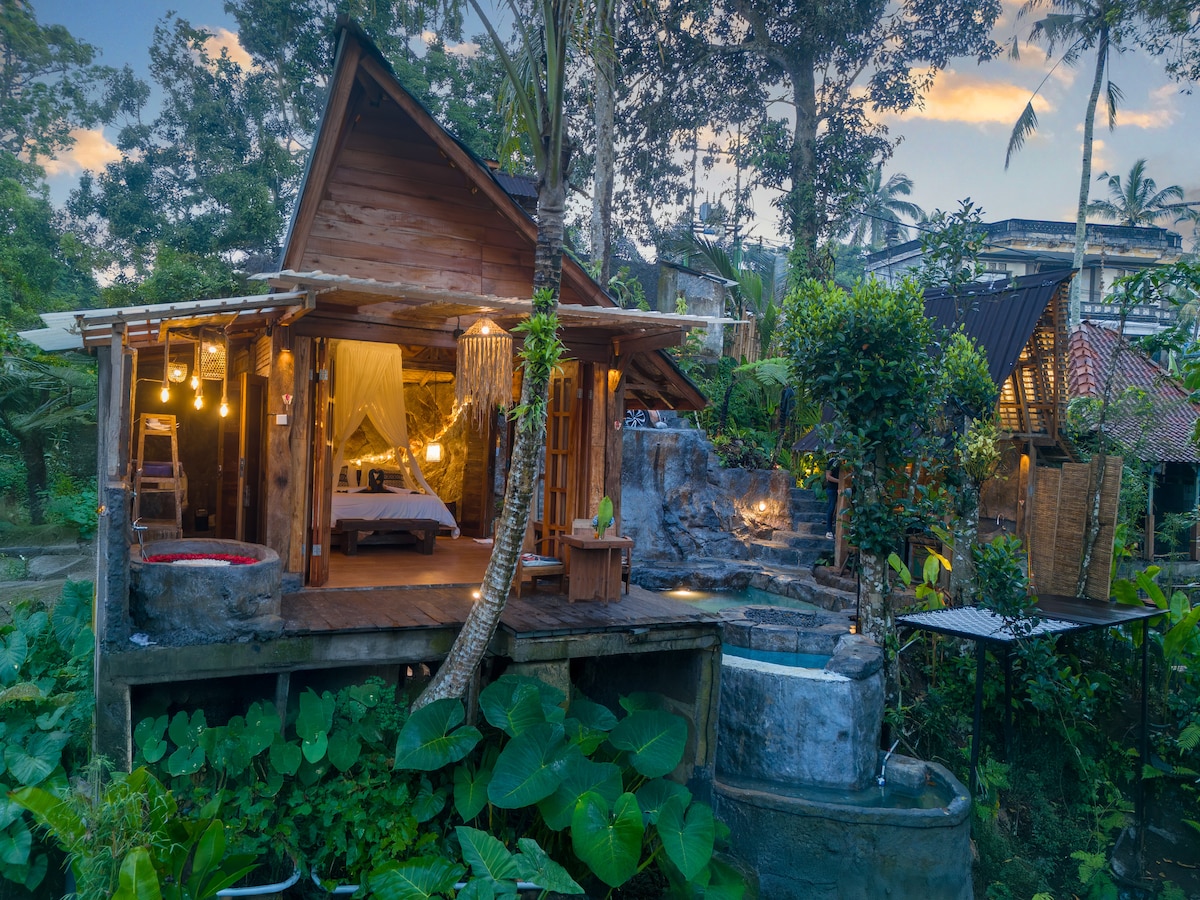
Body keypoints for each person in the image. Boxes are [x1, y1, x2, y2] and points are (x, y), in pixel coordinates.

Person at [824, 464, 840, 540]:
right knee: (832, 508)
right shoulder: (833, 462)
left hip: (841, 489)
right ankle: (829, 531)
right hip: (832, 488)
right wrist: (840, 481)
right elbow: (828, 477)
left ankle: (839, 532)